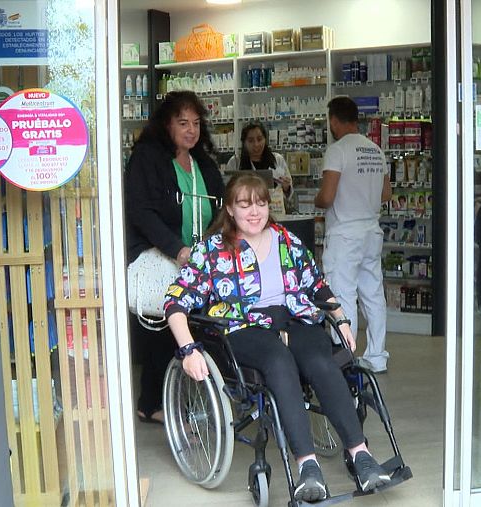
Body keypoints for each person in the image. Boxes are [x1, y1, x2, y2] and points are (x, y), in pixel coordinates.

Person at [164, 174, 392, 502]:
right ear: (230, 209)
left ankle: (361, 455)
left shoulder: (285, 239)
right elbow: (175, 301)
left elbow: (316, 284)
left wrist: (340, 318)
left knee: (320, 360)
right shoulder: (212, 250)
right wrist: (188, 349)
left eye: (260, 203)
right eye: (244, 204)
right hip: (244, 328)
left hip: (294, 319)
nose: (254, 211)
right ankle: (308, 467)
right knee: (279, 361)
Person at [124, 90, 225, 424]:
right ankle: (154, 402)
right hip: (160, 254)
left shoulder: (202, 163)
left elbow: (219, 209)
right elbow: (142, 212)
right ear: (166, 124)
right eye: (183, 122)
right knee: (164, 323)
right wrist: (176, 249)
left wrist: (208, 247)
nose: (191, 130)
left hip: (194, 258)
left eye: (196, 123)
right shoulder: (148, 157)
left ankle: (174, 397)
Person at [314, 97, 392, 374]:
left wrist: (317, 199)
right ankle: (377, 356)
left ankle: (345, 357)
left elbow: (327, 196)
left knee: (342, 295)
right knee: (373, 294)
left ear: (334, 120)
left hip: (345, 234)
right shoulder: (375, 150)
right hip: (372, 231)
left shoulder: (338, 150)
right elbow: (386, 194)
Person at [224, 122, 296, 213]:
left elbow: (289, 193)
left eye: (259, 139)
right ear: (244, 142)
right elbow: (227, 191)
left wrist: (286, 188)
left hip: (274, 211)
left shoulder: (277, 159)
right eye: (250, 141)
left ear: (265, 139)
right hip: (245, 213)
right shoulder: (235, 162)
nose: (256, 144)